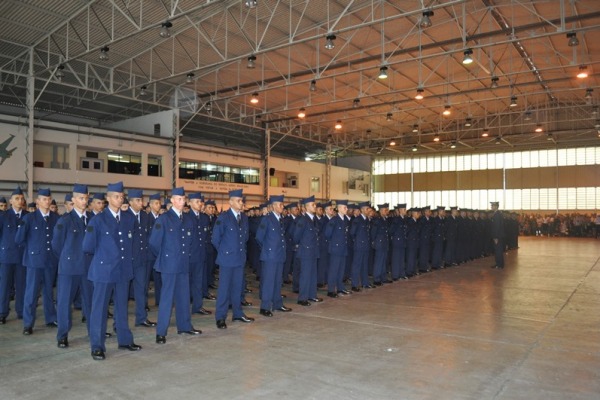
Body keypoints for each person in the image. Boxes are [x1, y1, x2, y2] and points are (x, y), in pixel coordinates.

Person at [83, 181, 141, 361]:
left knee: (122, 307)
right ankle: (97, 346)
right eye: (116, 196)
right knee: (99, 310)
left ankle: (124, 340)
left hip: (123, 270)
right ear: (108, 199)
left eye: (121, 196)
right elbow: (88, 246)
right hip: (104, 270)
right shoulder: (98, 220)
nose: (120, 199)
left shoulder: (129, 219)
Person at [149, 187, 201, 344]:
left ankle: (184, 326)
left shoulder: (188, 219)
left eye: (183, 199)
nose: (182, 201)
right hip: (169, 264)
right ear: (172, 201)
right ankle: (161, 332)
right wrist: (165, 256)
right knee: (166, 298)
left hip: (183, 264)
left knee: (183, 297)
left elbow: (190, 242)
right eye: (178, 199)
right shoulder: (164, 219)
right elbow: (154, 243)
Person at [51, 184, 93, 348]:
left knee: (90, 302)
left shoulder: (92, 219)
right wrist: (69, 259)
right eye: (81, 198)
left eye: (86, 198)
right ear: (74, 200)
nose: (84, 201)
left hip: (88, 268)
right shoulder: (65, 221)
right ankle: (62, 335)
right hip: (69, 269)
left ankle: (93, 332)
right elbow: (57, 246)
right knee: (64, 302)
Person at [16, 188, 58, 335]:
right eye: (43, 199)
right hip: (34, 261)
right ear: (38, 201)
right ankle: (28, 324)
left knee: (48, 292)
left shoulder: (55, 218)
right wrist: (31, 249)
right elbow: (19, 239)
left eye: (48, 199)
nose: (46, 202)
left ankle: (51, 318)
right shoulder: (29, 218)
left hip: (50, 261)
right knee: (31, 293)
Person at [211, 189, 253, 329]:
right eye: (239, 200)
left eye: (242, 201)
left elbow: (245, 237)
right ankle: (220, 317)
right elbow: (215, 239)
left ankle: (237, 313)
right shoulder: (223, 218)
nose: (241, 203)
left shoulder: (244, 218)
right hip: (227, 259)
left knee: (237, 288)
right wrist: (225, 252)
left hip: (239, 258)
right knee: (224, 289)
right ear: (230, 202)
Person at [255, 195, 292, 317]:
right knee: (269, 282)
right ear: (274, 206)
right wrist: (267, 249)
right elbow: (259, 237)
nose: (282, 206)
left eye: (282, 204)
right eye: (280, 205)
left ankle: (277, 304)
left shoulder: (280, 219)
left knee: (277, 281)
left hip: (279, 255)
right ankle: (265, 307)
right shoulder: (267, 219)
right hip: (270, 255)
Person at [126, 189, 156, 328]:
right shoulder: (124, 216)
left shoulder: (145, 216)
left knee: (141, 290)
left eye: (141, 200)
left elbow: (150, 235)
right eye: (137, 200)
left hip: (141, 260)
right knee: (122, 293)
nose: (141, 203)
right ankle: (119, 323)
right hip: (126, 260)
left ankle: (141, 318)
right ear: (130, 202)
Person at [0, 187, 27, 325]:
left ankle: (21, 311)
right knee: (4, 286)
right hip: (6, 257)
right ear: (11, 201)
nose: (20, 201)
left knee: (21, 285)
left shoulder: (27, 216)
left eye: (22, 198)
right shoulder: (3, 216)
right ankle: (2, 313)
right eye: (17, 198)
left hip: (22, 257)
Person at [292, 196, 322, 306]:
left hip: (313, 251)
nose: (315, 206)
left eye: (315, 204)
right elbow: (296, 236)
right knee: (305, 275)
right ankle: (302, 298)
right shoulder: (303, 220)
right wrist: (303, 245)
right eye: (313, 205)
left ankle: (312, 295)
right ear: (306, 207)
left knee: (313, 274)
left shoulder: (313, 220)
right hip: (306, 251)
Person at [188, 192, 212, 316]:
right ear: (190, 203)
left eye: (200, 201)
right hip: (188, 256)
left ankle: (198, 306)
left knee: (198, 282)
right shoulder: (186, 217)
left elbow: (207, 236)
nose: (199, 204)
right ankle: (185, 308)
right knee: (186, 283)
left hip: (200, 255)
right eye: (196, 201)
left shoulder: (204, 218)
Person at [324, 200, 350, 297]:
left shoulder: (345, 220)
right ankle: (331, 290)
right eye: (345, 207)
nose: (346, 209)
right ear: (339, 208)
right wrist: (334, 243)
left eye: (346, 207)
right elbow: (327, 234)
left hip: (343, 249)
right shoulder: (334, 220)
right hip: (336, 249)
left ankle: (340, 288)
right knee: (334, 270)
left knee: (341, 270)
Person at [350, 201, 372, 290]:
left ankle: (365, 283)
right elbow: (352, 233)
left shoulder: (367, 220)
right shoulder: (357, 220)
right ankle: (354, 285)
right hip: (359, 246)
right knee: (357, 265)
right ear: (362, 210)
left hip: (365, 246)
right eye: (367, 209)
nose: (368, 210)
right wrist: (357, 241)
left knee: (364, 265)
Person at [371, 203, 391, 285]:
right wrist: (374, 242)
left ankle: (383, 277)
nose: (387, 211)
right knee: (379, 261)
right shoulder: (377, 220)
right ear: (381, 211)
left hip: (384, 243)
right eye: (385, 210)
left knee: (383, 261)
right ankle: (376, 279)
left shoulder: (385, 219)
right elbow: (373, 233)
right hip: (379, 243)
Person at [389, 203, 408, 280]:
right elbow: (391, 230)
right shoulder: (396, 220)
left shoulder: (404, 219)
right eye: (404, 209)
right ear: (400, 210)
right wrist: (395, 237)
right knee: (396, 259)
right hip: (397, 242)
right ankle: (395, 275)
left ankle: (402, 274)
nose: (405, 211)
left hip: (402, 241)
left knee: (401, 258)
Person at [490, 201, 505, 269]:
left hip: (497, 236)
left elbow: (497, 226)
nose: (491, 207)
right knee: (499, 250)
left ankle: (499, 264)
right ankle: (500, 264)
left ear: (496, 206)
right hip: (499, 236)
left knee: (498, 251)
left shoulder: (496, 215)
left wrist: (495, 237)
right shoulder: (498, 214)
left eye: (492, 206)